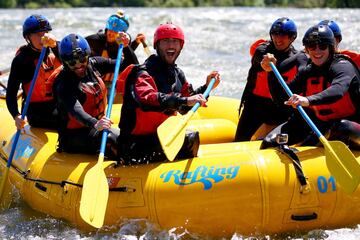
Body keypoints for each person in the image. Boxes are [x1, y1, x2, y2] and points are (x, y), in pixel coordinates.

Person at [117, 23, 220, 164]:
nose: (171, 45)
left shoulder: (178, 74)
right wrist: (183, 100)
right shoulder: (142, 72)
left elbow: (185, 108)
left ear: (181, 46)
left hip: (161, 137)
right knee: (189, 138)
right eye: (166, 41)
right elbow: (147, 99)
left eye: (175, 41)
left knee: (191, 137)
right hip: (135, 142)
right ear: (157, 45)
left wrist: (206, 87)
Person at [261, 24, 360, 148]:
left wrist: (307, 100)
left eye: (322, 46)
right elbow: (281, 98)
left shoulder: (342, 66)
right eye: (312, 47)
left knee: (341, 127)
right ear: (307, 50)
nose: (317, 51)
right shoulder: (307, 72)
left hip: (352, 125)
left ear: (331, 48)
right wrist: (270, 72)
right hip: (321, 124)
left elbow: (338, 90)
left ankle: (312, 144)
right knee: (271, 141)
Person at [53, 33, 129, 155]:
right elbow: (76, 111)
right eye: (72, 62)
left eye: (82, 59)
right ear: (65, 62)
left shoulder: (93, 64)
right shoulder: (63, 84)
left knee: (128, 138)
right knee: (110, 139)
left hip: (98, 127)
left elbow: (127, 64)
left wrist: (126, 46)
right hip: (73, 136)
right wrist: (95, 123)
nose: (78, 65)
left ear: (87, 56)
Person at [235, 17, 307, 142]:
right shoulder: (262, 50)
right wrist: (268, 63)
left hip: (279, 108)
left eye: (283, 35)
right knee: (240, 139)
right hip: (255, 104)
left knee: (272, 141)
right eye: (275, 34)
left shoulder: (297, 57)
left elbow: (302, 71)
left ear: (292, 38)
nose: (278, 39)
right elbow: (260, 57)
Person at [6, 14, 62, 130]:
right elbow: (11, 93)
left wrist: (55, 45)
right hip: (36, 111)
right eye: (38, 34)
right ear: (28, 37)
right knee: (68, 120)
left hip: (58, 103)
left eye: (45, 33)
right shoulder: (22, 60)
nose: (43, 38)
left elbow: (72, 63)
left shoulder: (57, 49)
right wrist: (16, 115)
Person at [86, 10, 143, 86]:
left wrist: (136, 42)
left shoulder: (124, 40)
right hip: (98, 82)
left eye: (115, 32)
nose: (111, 33)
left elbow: (128, 58)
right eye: (110, 30)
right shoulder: (95, 40)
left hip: (115, 82)